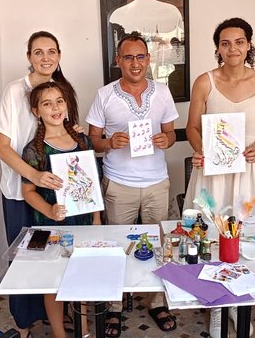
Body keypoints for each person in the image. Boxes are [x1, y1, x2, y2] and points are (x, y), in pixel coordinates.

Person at [182, 17, 255, 337]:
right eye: (225, 43)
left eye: (239, 42)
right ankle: (215, 306)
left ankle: (238, 303)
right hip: (214, 172)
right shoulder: (204, 82)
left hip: (250, 171)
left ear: (249, 45)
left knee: (245, 236)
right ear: (218, 48)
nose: (233, 48)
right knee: (211, 234)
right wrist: (201, 149)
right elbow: (192, 127)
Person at [86, 34, 178, 337]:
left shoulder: (162, 92)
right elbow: (93, 140)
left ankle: (156, 302)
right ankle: (114, 305)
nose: (135, 63)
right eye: (128, 57)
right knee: (116, 245)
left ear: (148, 59)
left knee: (158, 245)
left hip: (156, 182)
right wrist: (109, 143)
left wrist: (166, 139)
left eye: (140, 56)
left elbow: (171, 133)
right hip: (119, 183)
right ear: (118, 61)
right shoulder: (104, 95)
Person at [0, 31, 79, 338]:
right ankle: (23, 324)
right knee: (25, 259)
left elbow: (64, 130)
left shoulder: (62, 89)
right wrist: (34, 175)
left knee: (55, 258)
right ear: (29, 57)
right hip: (21, 191)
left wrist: (75, 132)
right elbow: (1, 147)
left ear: (59, 55)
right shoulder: (15, 90)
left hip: (54, 195)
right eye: (38, 52)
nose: (46, 58)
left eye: (51, 51)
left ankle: (53, 318)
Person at [22, 82, 101, 338]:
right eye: (47, 104)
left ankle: (84, 331)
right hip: (51, 225)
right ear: (36, 111)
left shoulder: (82, 140)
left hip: (83, 222)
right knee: (53, 281)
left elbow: (93, 184)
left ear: (66, 104)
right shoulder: (34, 150)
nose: (55, 108)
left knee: (83, 275)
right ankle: (59, 333)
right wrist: (50, 210)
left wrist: (97, 218)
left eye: (59, 101)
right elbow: (28, 192)